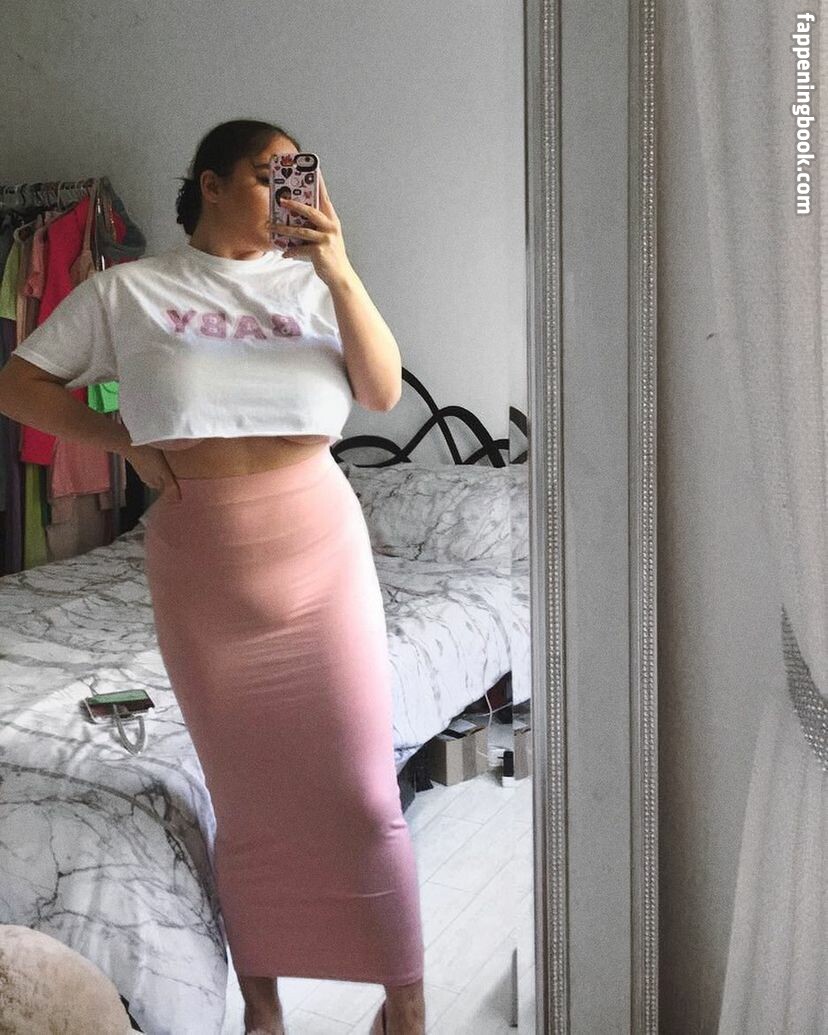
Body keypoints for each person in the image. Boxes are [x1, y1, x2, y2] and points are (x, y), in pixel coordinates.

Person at [0, 119, 425, 1035]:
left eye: (296, 175)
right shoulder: (129, 291)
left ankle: (405, 1004)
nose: (287, 192)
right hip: (201, 575)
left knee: (363, 797)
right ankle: (262, 1012)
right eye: (270, 175)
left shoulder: (315, 284)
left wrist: (339, 268)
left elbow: (383, 392)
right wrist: (122, 439)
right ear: (212, 184)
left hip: (320, 558)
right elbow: (18, 384)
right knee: (247, 803)